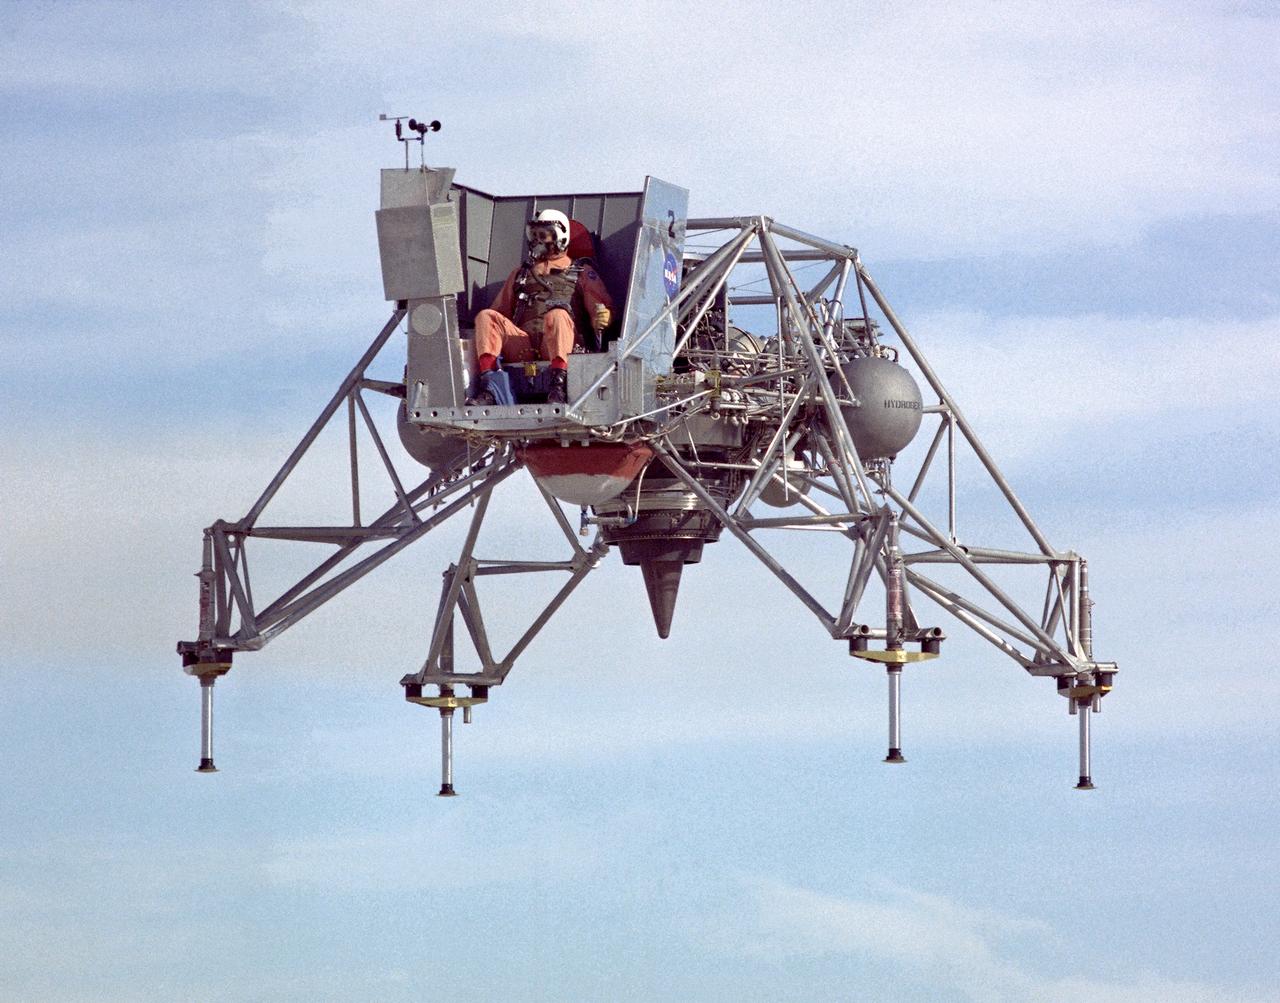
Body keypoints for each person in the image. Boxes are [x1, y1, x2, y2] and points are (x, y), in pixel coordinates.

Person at [468, 209, 614, 405]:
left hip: (562, 346)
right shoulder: (521, 274)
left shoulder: (581, 273)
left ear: (560, 236)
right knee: (486, 317)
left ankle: (557, 386)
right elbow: (499, 313)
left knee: (558, 315)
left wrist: (604, 316)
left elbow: (602, 307)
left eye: (543, 235)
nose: (537, 240)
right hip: (524, 347)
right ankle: (491, 386)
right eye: (534, 235)